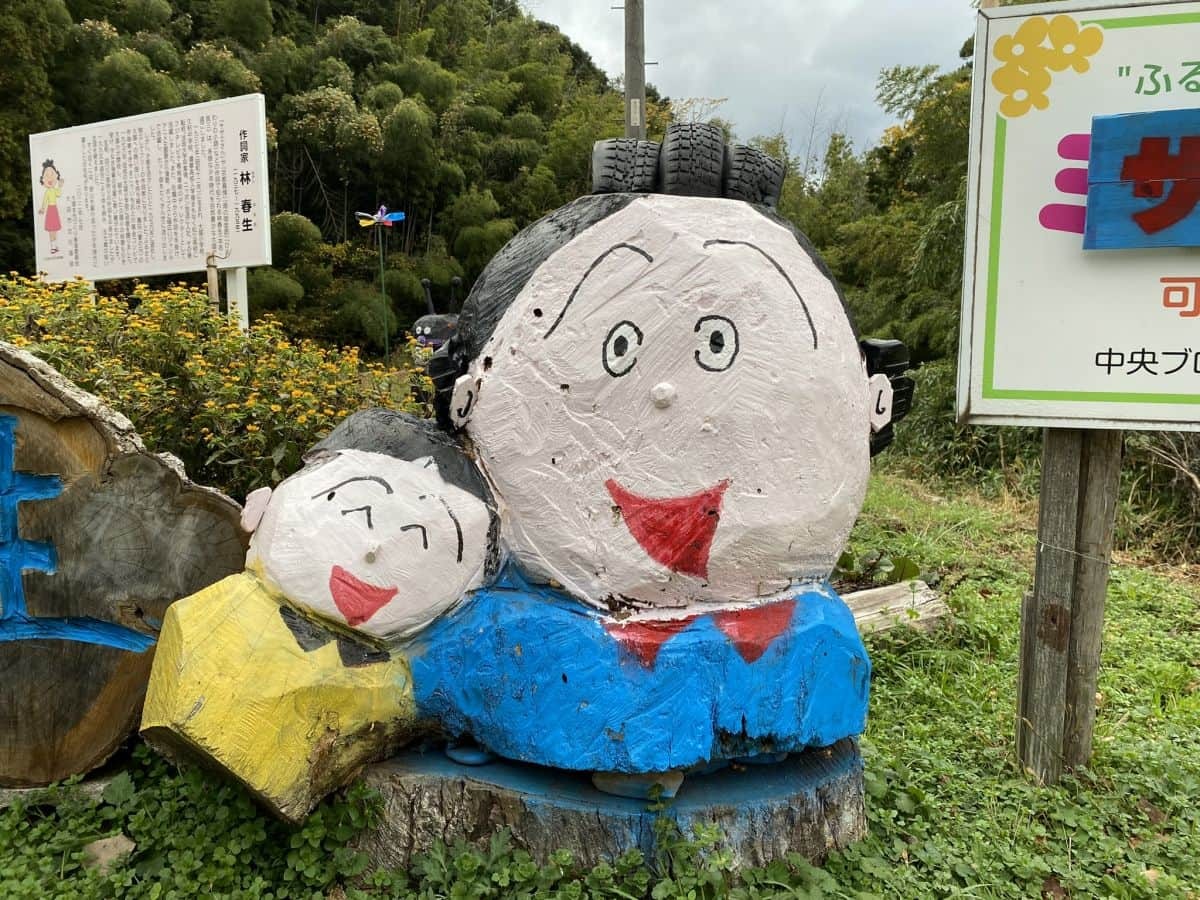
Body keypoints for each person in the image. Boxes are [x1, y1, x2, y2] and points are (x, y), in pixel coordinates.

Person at [414, 124, 909, 794]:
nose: (668, 392)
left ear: (873, 402)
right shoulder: (501, 636)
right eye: (617, 348)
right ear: (464, 401)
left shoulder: (815, 635)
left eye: (720, 346)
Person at [37, 160, 64, 255]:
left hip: (54, 210)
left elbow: (59, 194)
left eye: (52, 174)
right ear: (43, 179)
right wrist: (42, 209)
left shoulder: (54, 190)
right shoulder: (47, 191)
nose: (49, 177)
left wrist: (60, 186)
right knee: (51, 230)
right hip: (50, 210)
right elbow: (44, 201)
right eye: (46, 175)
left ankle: (55, 245)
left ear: (56, 176)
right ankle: (53, 247)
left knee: (55, 229)